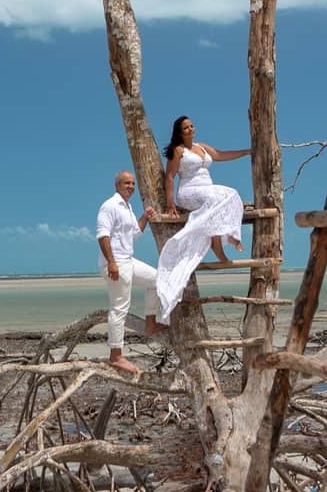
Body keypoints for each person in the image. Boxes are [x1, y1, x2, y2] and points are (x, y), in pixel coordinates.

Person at [157, 116, 251, 320]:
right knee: (219, 198)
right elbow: (170, 176)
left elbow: (222, 155)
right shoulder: (178, 150)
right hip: (189, 191)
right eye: (185, 128)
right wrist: (170, 203)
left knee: (232, 194)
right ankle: (219, 242)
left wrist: (246, 152)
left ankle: (223, 237)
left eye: (191, 126)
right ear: (180, 132)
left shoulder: (203, 147)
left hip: (208, 190)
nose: (190, 129)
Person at [96, 170, 167, 375]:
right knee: (119, 308)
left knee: (157, 279)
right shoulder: (109, 206)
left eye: (133, 183)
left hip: (128, 261)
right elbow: (102, 236)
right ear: (117, 185)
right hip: (116, 263)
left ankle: (151, 324)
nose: (131, 187)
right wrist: (111, 263)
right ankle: (116, 356)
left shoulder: (127, 207)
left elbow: (134, 233)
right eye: (127, 183)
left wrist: (145, 217)